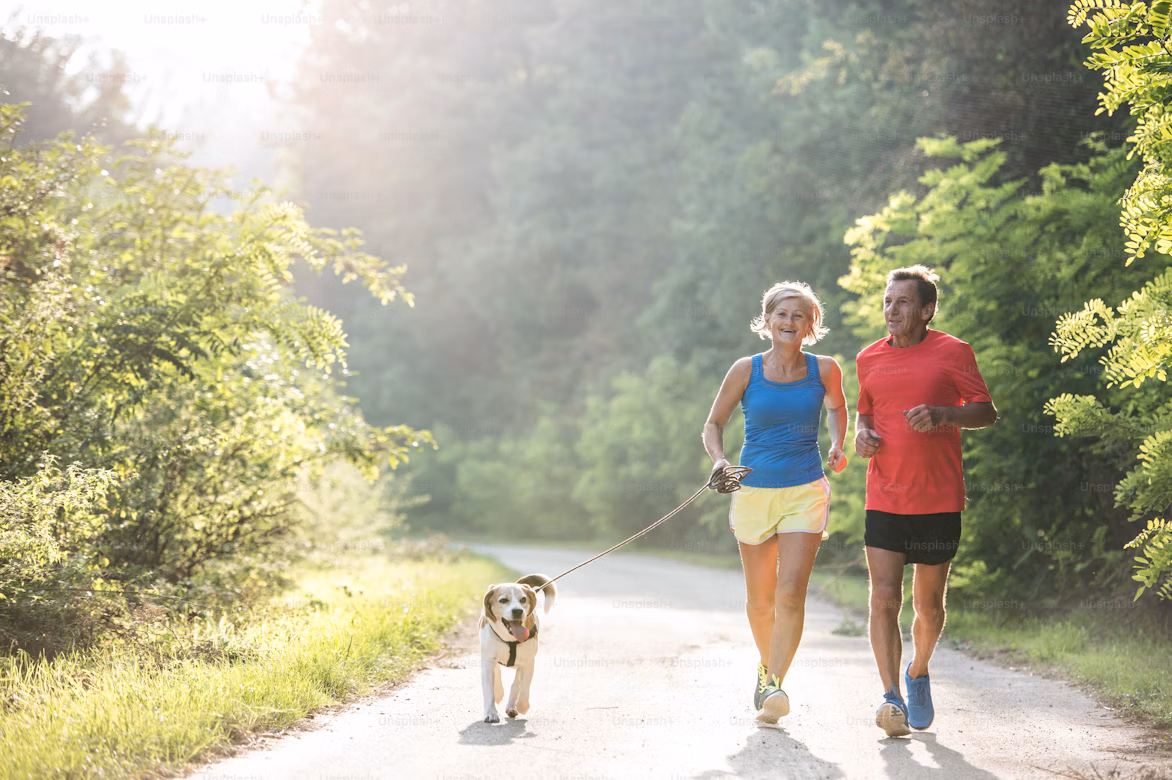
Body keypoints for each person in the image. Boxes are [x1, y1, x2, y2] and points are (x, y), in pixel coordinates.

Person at [854, 265, 998, 737]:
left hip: (938, 497)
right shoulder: (868, 358)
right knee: (883, 598)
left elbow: (985, 412)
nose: (891, 310)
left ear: (927, 309)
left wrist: (942, 414)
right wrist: (862, 436)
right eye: (888, 302)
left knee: (928, 608)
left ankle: (918, 672)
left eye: (902, 302)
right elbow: (865, 412)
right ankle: (891, 696)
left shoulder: (954, 352)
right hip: (885, 494)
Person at [703, 280, 848, 723]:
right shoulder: (745, 370)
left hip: (805, 490)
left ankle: (774, 684)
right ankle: (768, 669)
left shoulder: (825, 369)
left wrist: (838, 443)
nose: (789, 322)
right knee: (761, 599)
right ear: (766, 321)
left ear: (810, 324)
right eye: (782, 315)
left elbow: (838, 408)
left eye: (798, 316)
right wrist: (720, 461)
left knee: (791, 593)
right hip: (753, 491)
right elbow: (714, 423)